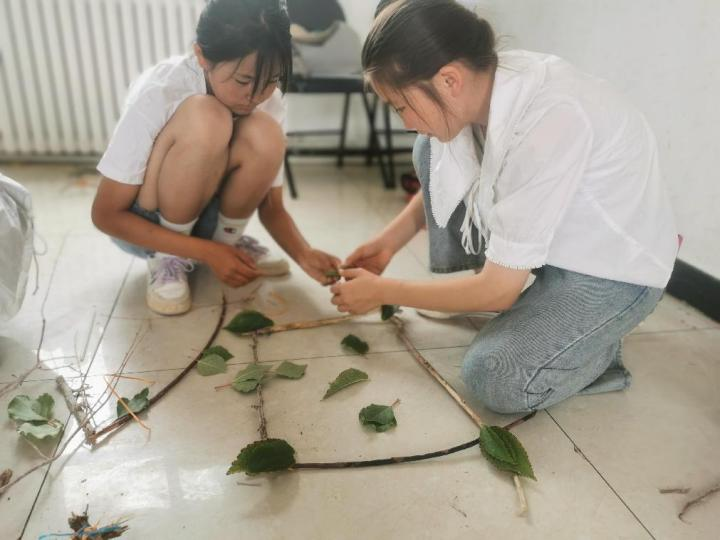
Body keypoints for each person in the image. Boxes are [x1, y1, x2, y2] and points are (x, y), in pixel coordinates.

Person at [331, 0, 678, 413]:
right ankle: (507, 296)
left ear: (449, 79)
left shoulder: (550, 117)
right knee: (431, 145)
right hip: (554, 244)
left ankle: (599, 350)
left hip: (611, 272)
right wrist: (389, 241)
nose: (404, 121)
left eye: (401, 106)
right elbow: (459, 178)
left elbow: (499, 292)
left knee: (495, 376)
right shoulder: (485, 83)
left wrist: (384, 291)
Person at [91, 0, 340, 316]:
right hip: (148, 228)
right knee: (208, 116)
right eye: (243, 81)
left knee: (265, 132)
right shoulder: (162, 91)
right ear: (201, 56)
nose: (256, 95)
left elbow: (271, 206)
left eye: (272, 79)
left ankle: (227, 241)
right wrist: (207, 252)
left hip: (208, 218)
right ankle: (170, 258)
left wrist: (304, 254)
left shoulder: (269, 100)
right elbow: (105, 215)